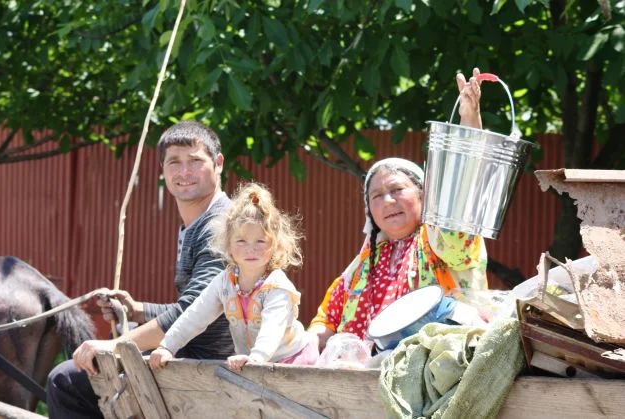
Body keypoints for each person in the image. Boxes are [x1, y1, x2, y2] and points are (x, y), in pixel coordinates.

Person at [47, 121, 235, 419]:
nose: (184, 172)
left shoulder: (222, 228)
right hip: (191, 352)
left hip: (208, 363)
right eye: (174, 162)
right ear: (163, 169)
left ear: (218, 163)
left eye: (195, 161)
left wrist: (113, 345)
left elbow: (190, 314)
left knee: (66, 381)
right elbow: (201, 306)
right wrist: (137, 311)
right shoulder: (198, 224)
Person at [308, 69, 488, 350]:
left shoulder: (441, 240)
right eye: (376, 196)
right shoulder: (363, 265)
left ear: (423, 195)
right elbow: (327, 321)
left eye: (397, 190)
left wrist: (469, 118)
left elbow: (461, 194)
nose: (388, 201)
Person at [149, 183, 318, 372]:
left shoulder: (276, 286)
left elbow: (272, 328)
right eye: (241, 241)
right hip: (251, 363)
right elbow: (196, 315)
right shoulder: (225, 282)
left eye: (260, 241)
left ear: (275, 245)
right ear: (228, 245)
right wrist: (167, 346)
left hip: (290, 360)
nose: (250, 248)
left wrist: (257, 357)